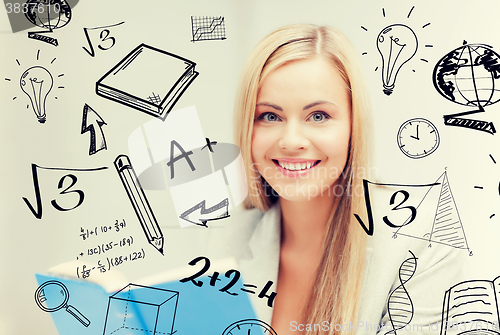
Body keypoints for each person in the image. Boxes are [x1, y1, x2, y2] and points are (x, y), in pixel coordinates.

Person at [210, 24, 464, 335]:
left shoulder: (421, 238)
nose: (291, 141)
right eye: (269, 116)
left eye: (318, 116)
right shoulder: (226, 239)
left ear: (353, 127)